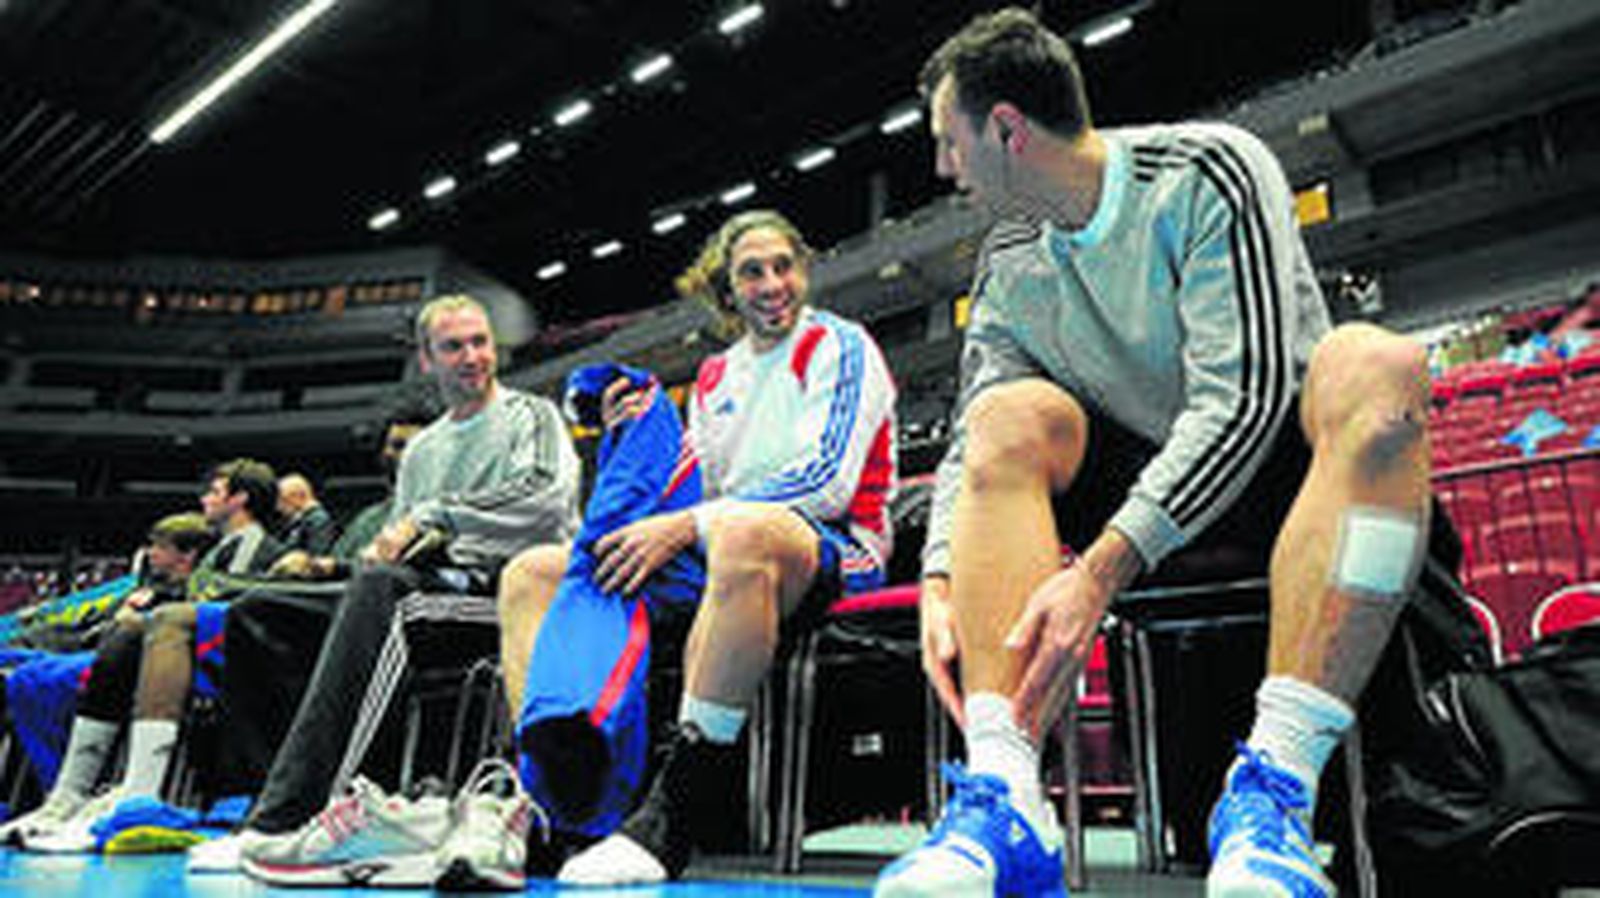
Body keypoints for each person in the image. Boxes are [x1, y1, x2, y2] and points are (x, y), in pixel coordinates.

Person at [875, 10, 1446, 898]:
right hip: (1141, 498)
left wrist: (1101, 569)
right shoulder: (1008, 259)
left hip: (1285, 481)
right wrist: (942, 577)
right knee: (1009, 412)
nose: (946, 170)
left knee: (1377, 363)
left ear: (1006, 131)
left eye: (951, 144)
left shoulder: (1209, 169)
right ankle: (1005, 795)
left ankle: (1274, 801)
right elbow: (972, 440)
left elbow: (1245, 400)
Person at [496, 209, 898, 886]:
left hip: (838, 547)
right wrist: (625, 432)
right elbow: (691, 486)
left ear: (803, 270)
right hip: (725, 547)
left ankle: (674, 809)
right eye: (752, 272)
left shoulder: (840, 343)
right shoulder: (714, 375)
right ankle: (550, 798)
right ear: (727, 289)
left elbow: (825, 482)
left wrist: (689, 526)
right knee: (534, 572)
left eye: (784, 266)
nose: (772, 284)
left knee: (740, 530)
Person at [227, 294, 582, 890]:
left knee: (388, 596)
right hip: (432, 585)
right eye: (454, 347)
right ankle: (282, 795)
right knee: (261, 611)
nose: (472, 357)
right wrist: (392, 543)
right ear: (426, 360)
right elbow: (406, 539)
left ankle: (298, 814)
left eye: (480, 342)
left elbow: (543, 496)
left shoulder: (531, 415)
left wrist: (435, 518)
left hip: (509, 594)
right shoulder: (422, 449)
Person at [3, 458, 286, 851]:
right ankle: (70, 793)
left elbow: (234, 607)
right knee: (121, 634)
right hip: (170, 643)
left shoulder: (267, 550)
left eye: (214, 492)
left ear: (239, 498)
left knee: (127, 636)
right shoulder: (219, 553)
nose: (204, 499)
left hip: (227, 655)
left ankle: (136, 793)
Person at [273, 473, 339, 556]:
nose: (278, 507)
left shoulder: (319, 521)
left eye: (283, 499)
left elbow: (317, 556)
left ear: (299, 496)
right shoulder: (297, 521)